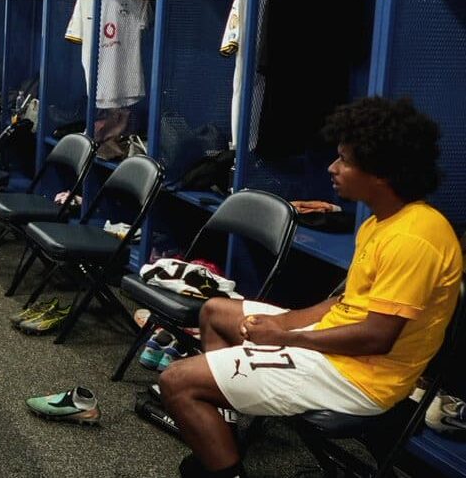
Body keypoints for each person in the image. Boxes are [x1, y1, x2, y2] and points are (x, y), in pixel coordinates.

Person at [160, 97, 462, 478]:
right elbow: (343, 303)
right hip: (337, 347)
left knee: (176, 382)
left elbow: (377, 337)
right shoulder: (379, 223)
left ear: (381, 171)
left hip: (362, 378)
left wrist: (287, 339)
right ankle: (221, 440)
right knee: (215, 312)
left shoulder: (416, 238)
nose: (332, 169)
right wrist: (283, 326)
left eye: (345, 161)